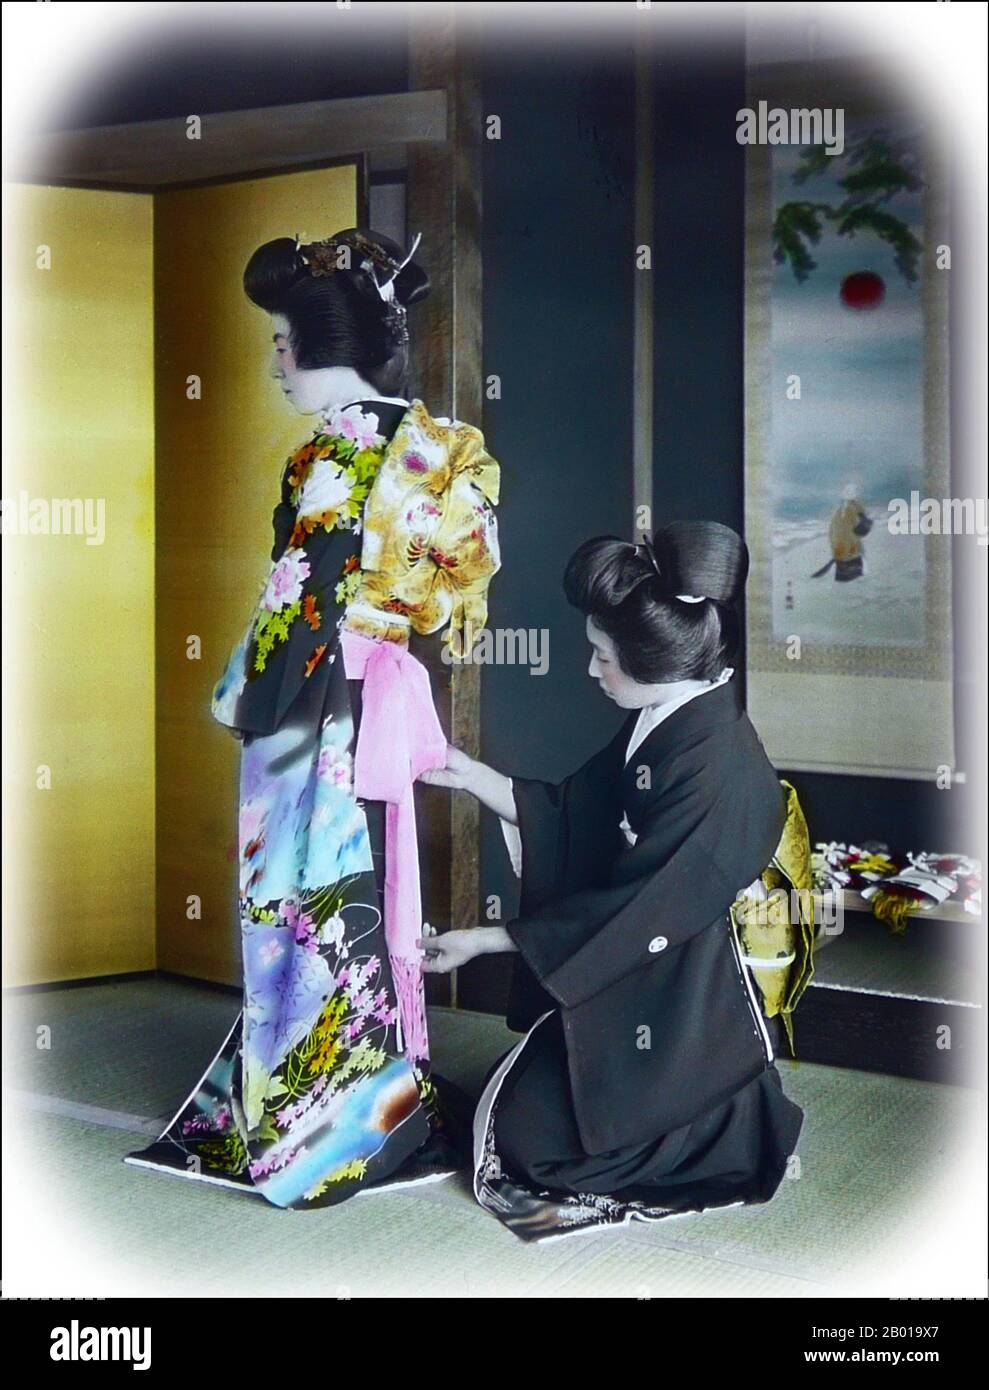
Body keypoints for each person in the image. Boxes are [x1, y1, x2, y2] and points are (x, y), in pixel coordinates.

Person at [125, 228, 501, 1208]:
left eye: (280, 340)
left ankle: (318, 1120)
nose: (274, 360)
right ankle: (386, 1084)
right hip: (380, 684)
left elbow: (296, 597)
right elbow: (448, 578)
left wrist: (247, 701)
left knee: (298, 899)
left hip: (314, 706)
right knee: (367, 891)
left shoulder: (325, 459)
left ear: (310, 343)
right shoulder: (431, 444)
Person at [419, 523, 806, 1242]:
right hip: (639, 961)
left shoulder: (715, 766)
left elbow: (640, 907)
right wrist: (471, 776)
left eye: (602, 655)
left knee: (534, 1151)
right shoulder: (668, 717)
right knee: (504, 1124)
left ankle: (720, 1123)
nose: (591, 669)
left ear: (653, 663)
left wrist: (484, 939)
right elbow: (575, 815)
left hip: (683, 982)